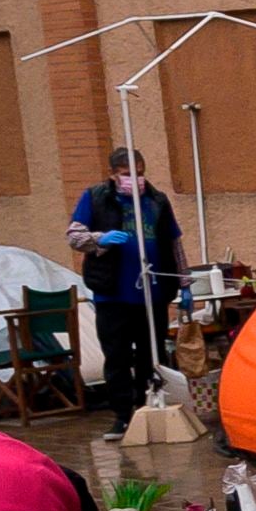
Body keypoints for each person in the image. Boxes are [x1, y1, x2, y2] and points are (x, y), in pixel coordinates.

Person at [68, 147, 186, 440]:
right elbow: (74, 236)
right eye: (126, 174)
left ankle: (149, 406)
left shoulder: (156, 201)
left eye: (140, 173)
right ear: (113, 174)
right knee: (117, 356)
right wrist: (100, 239)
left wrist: (184, 284)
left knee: (151, 355)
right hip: (113, 295)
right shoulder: (96, 198)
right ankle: (122, 416)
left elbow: (174, 243)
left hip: (152, 294)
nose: (135, 179)